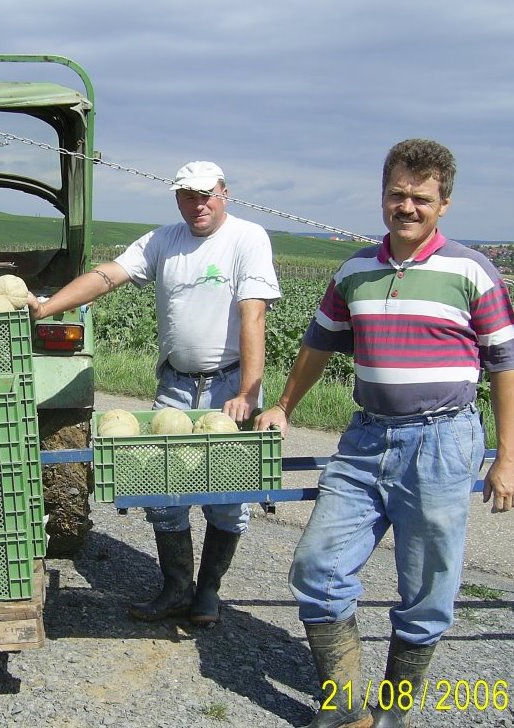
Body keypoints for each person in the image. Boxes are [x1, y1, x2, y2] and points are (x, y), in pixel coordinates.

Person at [255, 138, 514, 728]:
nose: (407, 207)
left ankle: (393, 711)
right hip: (365, 439)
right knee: (316, 569)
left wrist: (508, 457)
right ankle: (346, 709)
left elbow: (505, 365)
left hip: (443, 442)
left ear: (443, 203)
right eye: (397, 194)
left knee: (426, 592)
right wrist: (286, 406)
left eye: (421, 198)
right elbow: (319, 343)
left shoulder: (471, 271)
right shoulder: (354, 272)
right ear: (382, 196)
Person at [28, 160, 280, 627]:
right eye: (188, 195)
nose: (198, 203)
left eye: (206, 194)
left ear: (225, 192)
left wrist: (249, 390)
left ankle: (208, 593)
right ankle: (175, 589)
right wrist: (46, 308)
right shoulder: (164, 240)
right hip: (176, 386)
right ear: (177, 198)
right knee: (162, 492)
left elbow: (253, 314)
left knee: (227, 495)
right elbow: (107, 276)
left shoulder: (247, 238)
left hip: (227, 387)